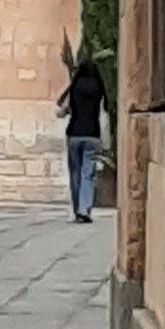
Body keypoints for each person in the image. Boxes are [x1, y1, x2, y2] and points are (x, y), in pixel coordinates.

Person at [58, 55, 106, 223]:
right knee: (88, 174)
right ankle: (85, 209)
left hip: (74, 134)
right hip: (93, 134)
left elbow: (62, 111)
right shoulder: (98, 87)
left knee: (75, 173)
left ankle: (77, 209)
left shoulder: (75, 87)